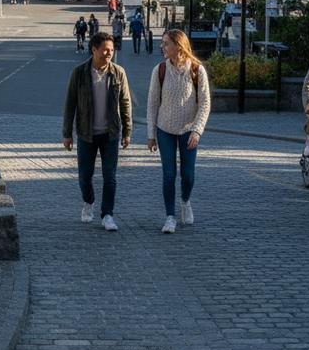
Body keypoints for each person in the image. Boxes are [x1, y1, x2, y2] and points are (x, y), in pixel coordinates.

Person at [61, 31, 132, 231]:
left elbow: (125, 103)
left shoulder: (118, 73)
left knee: (110, 176)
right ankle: (88, 201)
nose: (109, 53)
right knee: (85, 175)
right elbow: (70, 104)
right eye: (105, 50)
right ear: (94, 49)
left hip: (110, 133)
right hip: (86, 133)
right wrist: (67, 134)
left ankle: (107, 214)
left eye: (111, 49)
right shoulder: (79, 73)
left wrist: (127, 131)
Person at [146, 29, 212, 234]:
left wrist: (197, 130)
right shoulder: (160, 70)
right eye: (163, 43)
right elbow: (152, 104)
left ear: (178, 46)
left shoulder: (196, 69)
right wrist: (151, 134)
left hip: (188, 130)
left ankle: (185, 201)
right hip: (165, 129)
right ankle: (170, 217)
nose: (162, 47)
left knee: (188, 175)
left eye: (166, 43)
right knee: (169, 174)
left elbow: (205, 103)